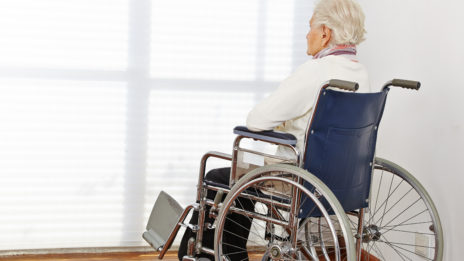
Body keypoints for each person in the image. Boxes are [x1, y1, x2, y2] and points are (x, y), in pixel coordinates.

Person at [178, 0, 369, 260]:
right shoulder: (362, 75)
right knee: (243, 174)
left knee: (222, 176)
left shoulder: (315, 72)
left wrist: (284, 123)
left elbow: (256, 120)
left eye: (310, 27)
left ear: (325, 33)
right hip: (344, 182)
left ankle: (220, 255)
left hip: (299, 180)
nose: (306, 34)